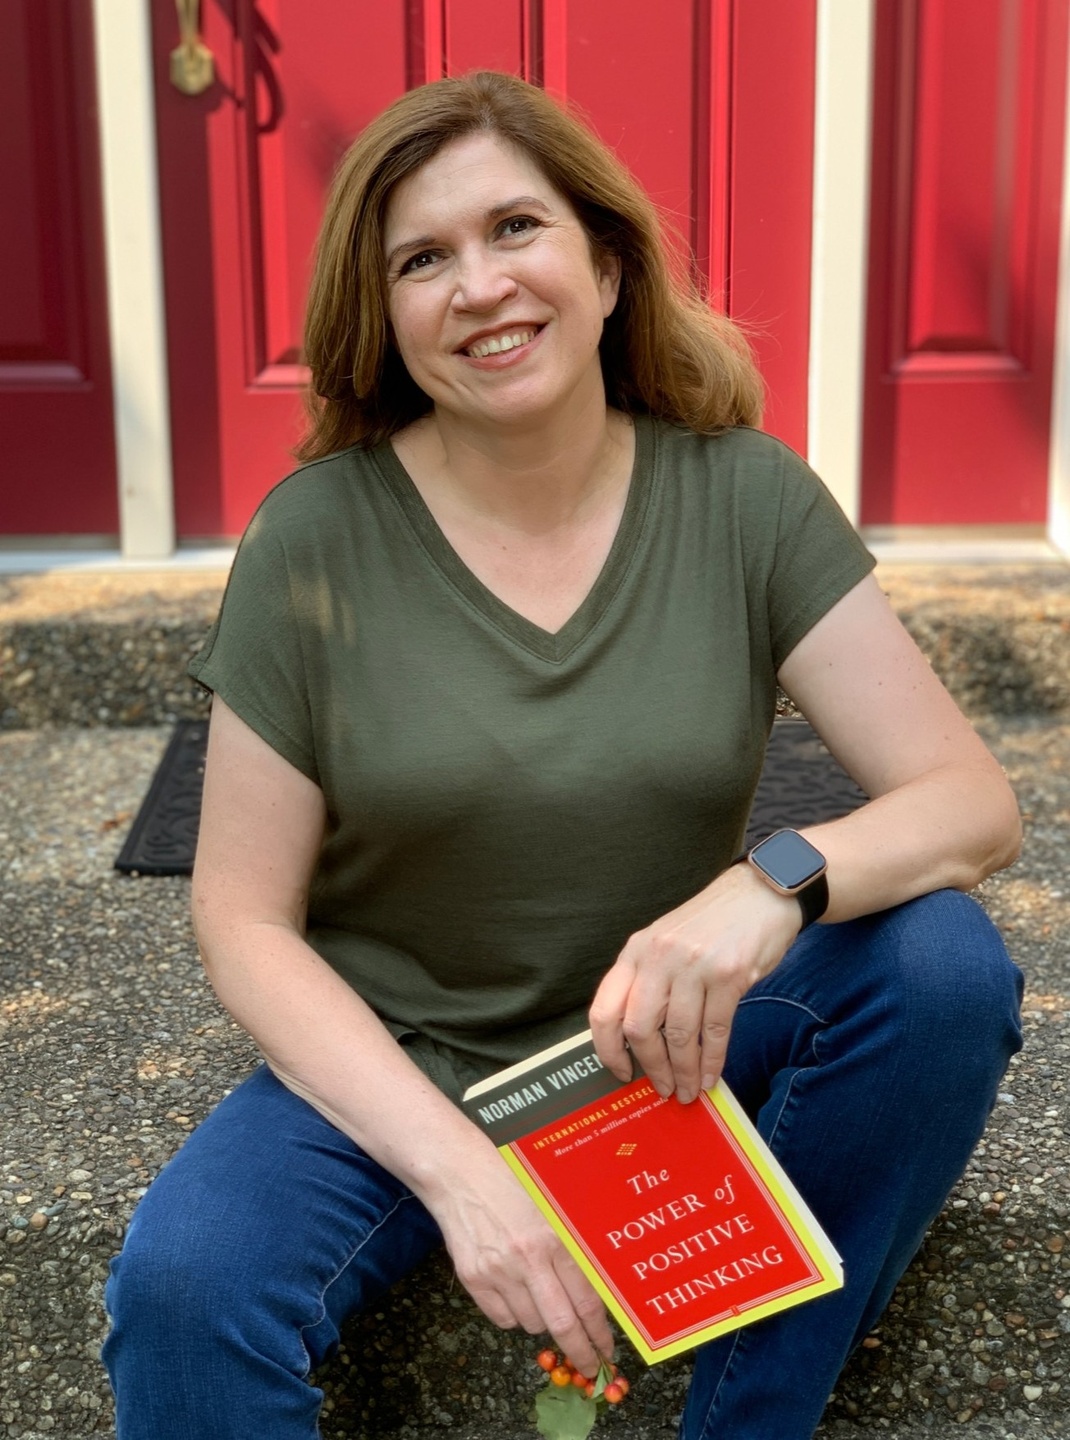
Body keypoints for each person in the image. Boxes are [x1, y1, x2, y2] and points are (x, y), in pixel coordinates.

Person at [102, 71, 1023, 1439]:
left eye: (514, 228)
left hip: (661, 1046)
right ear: (385, 316)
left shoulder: (743, 496)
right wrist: (461, 1176)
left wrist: (766, 884)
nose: (480, 286)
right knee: (185, 1290)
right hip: (401, 1063)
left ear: (604, 264)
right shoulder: (314, 539)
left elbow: (970, 804)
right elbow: (242, 921)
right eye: (421, 259)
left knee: (942, 964)